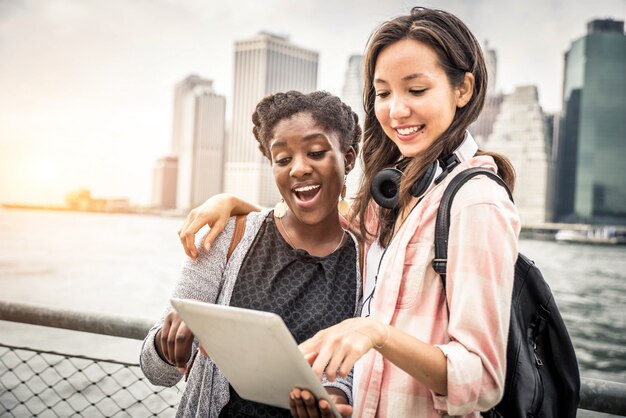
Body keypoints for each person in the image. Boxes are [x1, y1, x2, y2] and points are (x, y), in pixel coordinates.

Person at [179, 7, 520, 418]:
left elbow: (483, 379)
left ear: (463, 89)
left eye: (416, 90)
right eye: (384, 93)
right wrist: (234, 205)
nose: (396, 110)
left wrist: (376, 334)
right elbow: (313, 222)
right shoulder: (398, 197)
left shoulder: (476, 203)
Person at [140, 90, 363, 418]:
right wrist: (167, 343)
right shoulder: (228, 236)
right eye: (283, 159)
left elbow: (355, 371)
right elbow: (156, 370)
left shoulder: (369, 260)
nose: (298, 169)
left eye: (315, 152)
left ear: (348, 158)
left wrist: (329, 399)